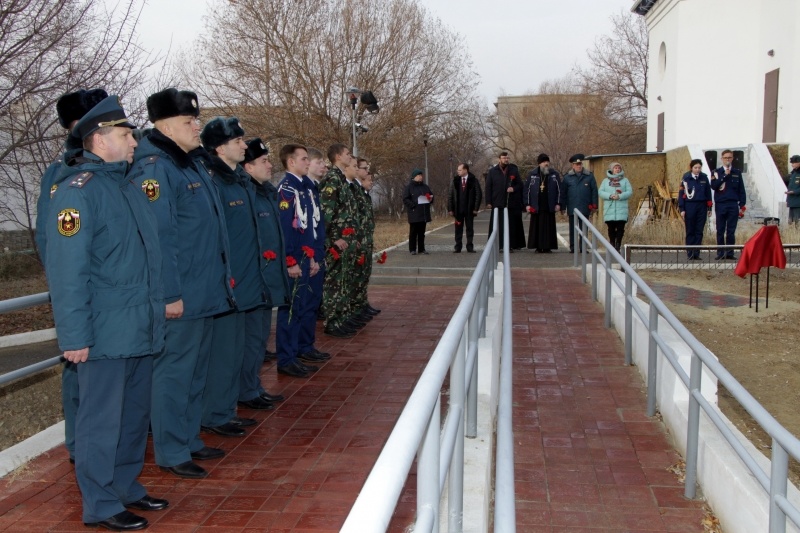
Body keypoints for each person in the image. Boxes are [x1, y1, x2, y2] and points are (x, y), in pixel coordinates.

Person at [46, 95, 168, 531]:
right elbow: (67, 272)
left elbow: (147, 262)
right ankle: (99, 502)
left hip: (138, 327)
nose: (134, 142)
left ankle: (124, 486)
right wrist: (74, 337)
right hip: (102, 333)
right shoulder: (77, 194)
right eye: (125, 135)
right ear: (99, 140)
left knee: (134, 416)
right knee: (100, 422)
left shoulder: (127, 187)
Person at [129, 88, 235, 480]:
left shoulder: (190, 164)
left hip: (205, 289)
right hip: (182, 295)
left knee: (194, 371)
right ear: (168, 125)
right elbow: (160, 239)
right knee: (174, 375)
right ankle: (172, 451)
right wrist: (170, 294)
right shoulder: (157, 167)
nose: (196, 126)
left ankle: (188, 438)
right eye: (190, 121)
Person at [35, 88, 107, 465]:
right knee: (78, 376)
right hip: (82, 294)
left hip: (114, 298)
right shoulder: (62, 174)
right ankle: (80, 446)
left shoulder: (113, 170)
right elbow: (53, 241)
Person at [200, 117, 270, 434]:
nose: (245, 145)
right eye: (238, 141)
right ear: (220, 147)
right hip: (228, 286)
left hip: (247, 283)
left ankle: (227, 408)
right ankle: (217, 413)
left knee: (238, 351)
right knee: (223, 356)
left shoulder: (239, 180)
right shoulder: (213, 181)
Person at [241, 138, 291, 402]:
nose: (270, 165)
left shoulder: (266, 192)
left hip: (268, 277)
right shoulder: (248, 194)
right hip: (254, 279)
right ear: (248, 167)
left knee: (259, 337)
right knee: (250, 340)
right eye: (263, 161)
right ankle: (247, 390)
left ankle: (253, 387)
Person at [275, 144, 323, 378]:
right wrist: (290, 261)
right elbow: (285, 229)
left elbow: (310, 228)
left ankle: (298, 351)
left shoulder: (304, 188)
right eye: (304, 159)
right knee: (291, 310)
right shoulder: (287, 190)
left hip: (306, 257)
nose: (308, 162)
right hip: (295, 260)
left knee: (302, 306)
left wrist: (312, 257)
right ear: (291, 162)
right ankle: (286, 357)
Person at [296, 147, 332, 364]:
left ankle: (307, 344)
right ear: (308, 164)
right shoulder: (298, 190)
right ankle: (300, 347)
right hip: (306, 256)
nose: (324, 167)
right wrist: (309, 256)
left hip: (317, 254)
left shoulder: (313, 189)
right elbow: (300, 228)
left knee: (312, 304)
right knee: (303, 305)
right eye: (320, 163)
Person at [319, 143, 358, 338]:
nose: (350, 156)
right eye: (347, 154)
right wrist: (332, 241)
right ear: (336, 157)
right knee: (334, 282)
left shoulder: (341, 179)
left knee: (343, 280)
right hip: (337, 242)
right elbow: (326, 214)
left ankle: (341, 318)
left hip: (346, 239)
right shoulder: (332, 179)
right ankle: (332, 321)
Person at [710, 150, 747, 260]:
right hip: (721, 203)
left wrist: (742, 204)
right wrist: (724, 176)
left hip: (732, 204)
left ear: (732, 158)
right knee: (720, 229)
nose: (727, 159)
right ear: (721, 159)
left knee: (731, 230)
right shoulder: (716, 172)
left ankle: (730, 253)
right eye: (725, 157)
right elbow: (714, 186)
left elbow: (741, 189)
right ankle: (720, 253)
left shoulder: (737, 172)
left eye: (729, 157)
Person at [485, 152, 524, 250]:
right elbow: (488, 187)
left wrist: (513, 189)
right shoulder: (493, 171)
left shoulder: (513, 170)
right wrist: (489, 202)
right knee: (497, 225)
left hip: (511, 203)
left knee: (510, 225)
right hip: (497, 202)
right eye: (504, 158)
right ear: (499, 159)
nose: (506, 159)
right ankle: (497, 245)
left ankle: (510, 245)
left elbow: (520, 185)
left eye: (507, 158)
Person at [524, 153, 562, 253]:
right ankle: (537, 247)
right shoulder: (532, 174)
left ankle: (547, 247)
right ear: (539, 163)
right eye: (544, 162)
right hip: (536, 205)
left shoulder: (554, 174)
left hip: (549, 205)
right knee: (537, 227)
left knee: (549, 227)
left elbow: (559, 190)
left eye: (547, 162)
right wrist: (527, 204)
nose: (546, 164)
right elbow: (526, 190)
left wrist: (558, 203)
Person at [563, 153, 599, 253]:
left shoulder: (589, 176)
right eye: (577, 164)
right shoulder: (567, 178)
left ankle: (583, 247)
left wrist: (594, 205)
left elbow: (594, 191)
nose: (579, 166)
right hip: (572, 207)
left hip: (585, 207)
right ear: (573, 165)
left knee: (584, 229)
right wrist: (563, 207)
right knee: (572, 229)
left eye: (580, 164)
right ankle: (573, 247)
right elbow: (563, 193)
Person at [678, 159, 712, 260]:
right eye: (695, 168)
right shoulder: (686, 178)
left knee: (699, 230)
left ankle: (696, 253)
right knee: (690, 230)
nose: (697, 170)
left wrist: (709, 207)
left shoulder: (704, 177)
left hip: (701, 205)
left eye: (699, 168)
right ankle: (690, 253)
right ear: (691, 168)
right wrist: (682, 208)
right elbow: (681, 194)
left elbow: (708, 194)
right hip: (690, 205)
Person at [598, 162, 633, 252]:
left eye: (618, 168)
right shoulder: (606, 181)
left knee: (621, 228)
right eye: (615, 168)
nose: (617, 169)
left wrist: (620, 196)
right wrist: (610, 195)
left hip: (621, 208)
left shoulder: (625, 180)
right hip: (610, 209)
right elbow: (601, 192)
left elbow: (629, 192)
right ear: (612, 170)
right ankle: (612, 243)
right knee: (611, 228)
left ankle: (618, 244)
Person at [447, 163, 482, 253]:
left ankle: (469, 246)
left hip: (469, 209)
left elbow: (478, 195)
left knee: (469, 228)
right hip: (458, 209)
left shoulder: (473, 180)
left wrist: (476, 208)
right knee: (458, 228)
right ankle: (458, 246)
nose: (458, 172)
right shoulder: (455, 181)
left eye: (460, 170)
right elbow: (450, 195)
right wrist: (450, 209)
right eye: (458, 170)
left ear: (466, 170)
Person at [403, 169, 434, 254]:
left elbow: (431, 196)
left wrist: (430, 198)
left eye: (421, 175)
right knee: (413, 232)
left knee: (422, 232)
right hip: (414, 213)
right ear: (414, 177)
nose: (420, 177)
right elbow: (405, 199)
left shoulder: (425, 186)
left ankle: (421, 248)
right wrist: (413, 205)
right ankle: (412, 249)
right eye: (418, 176)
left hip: (423, 213)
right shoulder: (409, 187)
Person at [785, 155, 800, 224]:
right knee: (790, 222)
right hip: (792, 201)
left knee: (797, 223)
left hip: (798, 202)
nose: (792, 165)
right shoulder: (793, 173)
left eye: (794, 163)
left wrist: (794, 192)